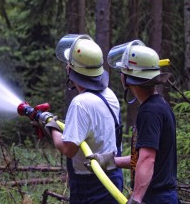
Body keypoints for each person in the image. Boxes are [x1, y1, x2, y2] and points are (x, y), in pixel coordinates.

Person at [94, 40, 178, 204]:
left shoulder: (149, 111)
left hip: (155, 198)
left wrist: (137, 198)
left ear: (126, 77)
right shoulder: (159, 106)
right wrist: (110, 161)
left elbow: (147, 159)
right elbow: (145, 157)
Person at [44, 34, 123, 204]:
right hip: (113, 179)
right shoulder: (109, 95)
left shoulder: (80, 103)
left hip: (89, 185)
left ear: (72, 71)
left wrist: (52, 128)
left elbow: (69, 149)